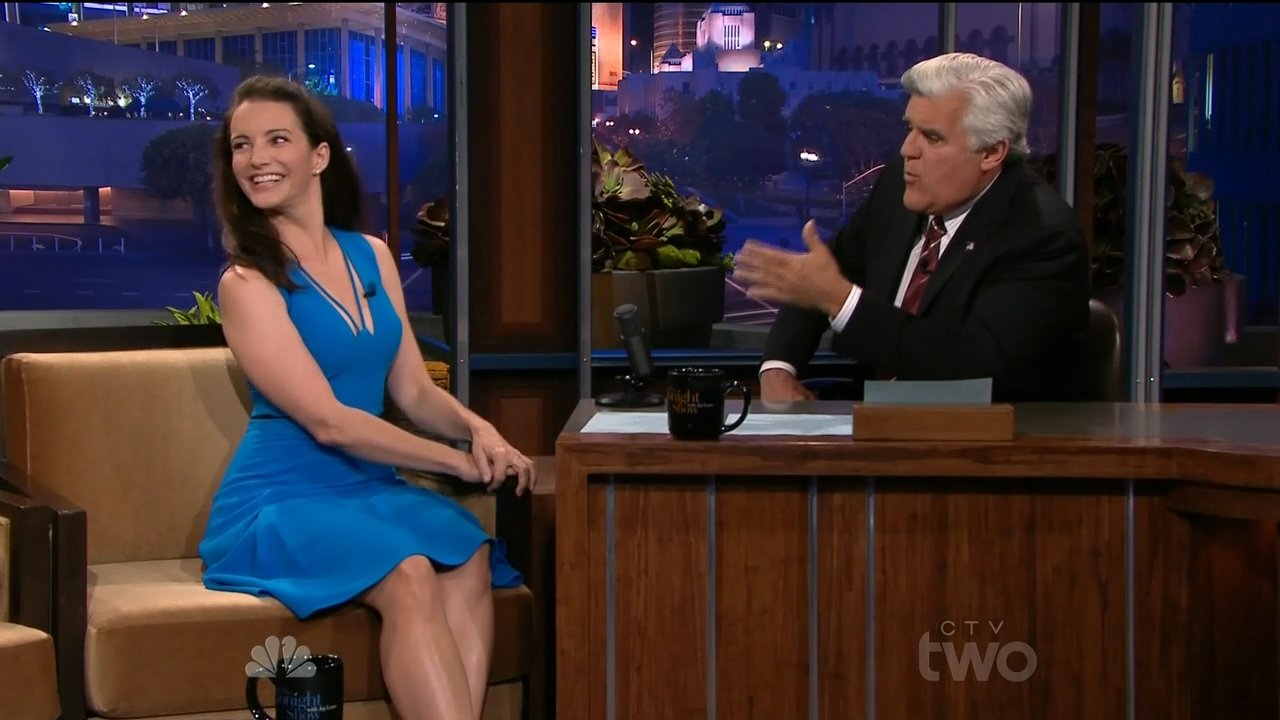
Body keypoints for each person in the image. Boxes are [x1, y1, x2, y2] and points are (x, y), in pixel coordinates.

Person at [198, 75, 535, 720]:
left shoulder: (373, 256)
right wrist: (457, 463)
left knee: (467, 554)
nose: (256, 158)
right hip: (282, 497)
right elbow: (331, 423)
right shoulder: (247, 281)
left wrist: (479, 431)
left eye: (276, 140)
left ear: (319, 155)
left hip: (367, 488)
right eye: (241, 145)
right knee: (408, 572)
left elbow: (412, 389)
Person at [734, 53, 1091, 404]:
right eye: (910, 128)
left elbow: (974, 369)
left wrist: (841, 301)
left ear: (991, 152)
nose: (908, 149)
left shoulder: (1041, 235)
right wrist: (778, 368)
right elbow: (822, 275)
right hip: (876, 415)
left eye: (932, 137)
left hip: (985, 433)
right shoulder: (901, 184)